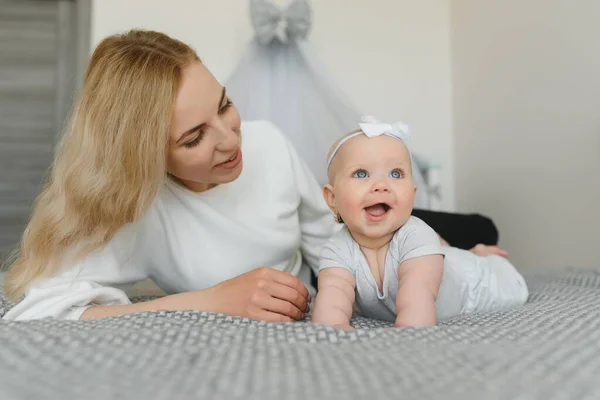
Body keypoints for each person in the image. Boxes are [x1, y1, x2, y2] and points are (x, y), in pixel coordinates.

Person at [2, 29, 335, 321]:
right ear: (145, 156)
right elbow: (40, 309)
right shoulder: (140, 207)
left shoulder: (269, 142)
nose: (231, 139)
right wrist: (211, 301)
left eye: (224, 105)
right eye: (194, 138)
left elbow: (332, 249)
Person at [311, 118, 529, 328]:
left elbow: (417, 298)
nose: (380, 185)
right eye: (361, 173)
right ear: (332, 199)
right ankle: (467, 252)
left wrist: (410, 329)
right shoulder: (336, 248)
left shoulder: (415, 234)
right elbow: (333, 298)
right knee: (441, 255)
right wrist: (333, 327)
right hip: (439, 258)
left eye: (395, 174)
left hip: (474, 283)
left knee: (511, 287)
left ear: (412, 194)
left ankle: (481, 257)